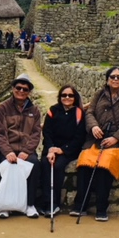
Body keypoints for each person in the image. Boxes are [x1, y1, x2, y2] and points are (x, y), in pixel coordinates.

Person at [70, 67, 119, 221]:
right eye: (112, 77)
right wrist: (94, 126)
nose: (115, 80)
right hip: (95, 139)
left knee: (105, 166)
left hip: (114, 141)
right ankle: (80, 205)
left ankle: (102, 208)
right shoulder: (99, 95)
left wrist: (116, 138)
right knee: (85, 163)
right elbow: (90, 112)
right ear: (107, 79)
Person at [0, 73, 41, 219]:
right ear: (13, 88)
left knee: (34, 164)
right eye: (18, 88)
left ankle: (30, 204)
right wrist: (7, 151)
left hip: (26, 150)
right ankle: (4, 205)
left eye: (25, 89)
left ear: (29, 92)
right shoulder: (3, 108)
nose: (21, 91)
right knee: (5, 165)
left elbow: (36, 133)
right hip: (8, 148)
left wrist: (27, 151)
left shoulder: (34, 111)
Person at [40, 85, 86, 217]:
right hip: (51, 148)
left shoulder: (79, 113)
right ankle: (47, 203)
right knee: (45, 164)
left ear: (75, 97)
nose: (67, 98)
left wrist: (63, 150)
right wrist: (50, 149)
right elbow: (47, 132)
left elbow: (79, 137)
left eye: (70, 95)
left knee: (59, 166)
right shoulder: (53, 111)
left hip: (68, 150)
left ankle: (54, 204)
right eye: (64, 95)